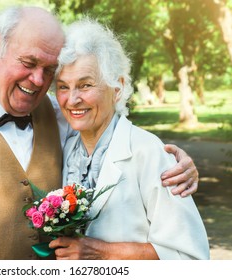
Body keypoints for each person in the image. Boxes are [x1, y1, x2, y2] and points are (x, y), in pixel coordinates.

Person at [0, 6, 199, 260]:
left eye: (49, 70)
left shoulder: (61, 117)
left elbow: (113, 138)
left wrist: (174, 160)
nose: (38, 80)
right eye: (29, 62)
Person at [49, 18, 210, 260]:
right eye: (63, 87)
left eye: (85, 85)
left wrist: (100, 252)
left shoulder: (149, 152)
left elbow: (190, 257)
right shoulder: (67, 145)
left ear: (118, 88)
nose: (72, 100)